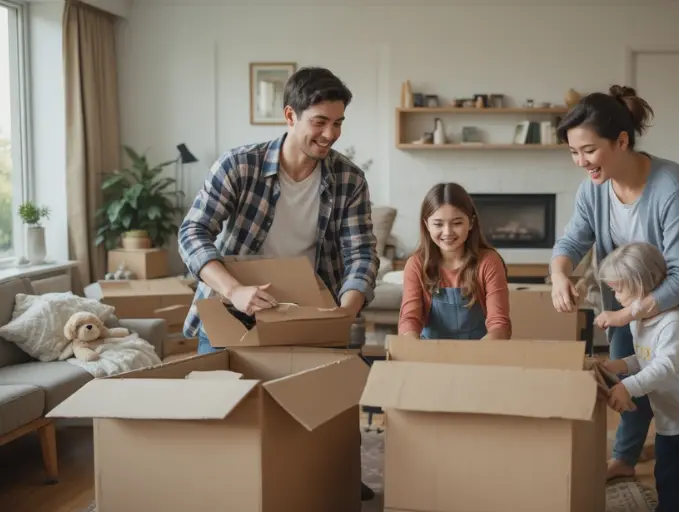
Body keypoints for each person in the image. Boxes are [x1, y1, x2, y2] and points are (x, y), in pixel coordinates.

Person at [177, 66, 379, 501]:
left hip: (311, 311)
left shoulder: (349, 179)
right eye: (319, 122)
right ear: (290, 116)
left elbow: (362, 254)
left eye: (338, 122)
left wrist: (346, 309)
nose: (330, 134)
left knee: (330, 411)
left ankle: (335, 471)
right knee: (221, 414)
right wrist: (233, 291)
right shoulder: (239, 165)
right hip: (232, 309)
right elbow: (192, 233)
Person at [548, 85, 679, 481]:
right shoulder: (592, 190)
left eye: (589, 151)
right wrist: (559, 274)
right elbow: (571, 240)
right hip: (630, 308)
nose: (581, 162)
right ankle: (626, 458)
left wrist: (624, 314)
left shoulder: (670, 183)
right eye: (573, 153)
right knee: (628, 379)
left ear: (621, 141)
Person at [598, 242, 679, 512]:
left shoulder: (674, 322)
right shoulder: (639, 322)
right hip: (670, 420)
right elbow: (646, 357)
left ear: (640, 283)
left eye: (618, 289)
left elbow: (664, 366)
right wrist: (620, 366)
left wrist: (628, 386)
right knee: (669, 479)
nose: (615, 296)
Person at [398, 182, 511, 340]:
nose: (447, 232)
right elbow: (409, 320)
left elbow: (499, 324)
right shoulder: (416, 264)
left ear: (471, 222)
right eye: (438, 224)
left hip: (480, 353)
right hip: (429, 354)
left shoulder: (489, 262)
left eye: (457, 223)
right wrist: (411, 345)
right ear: (426, 225)